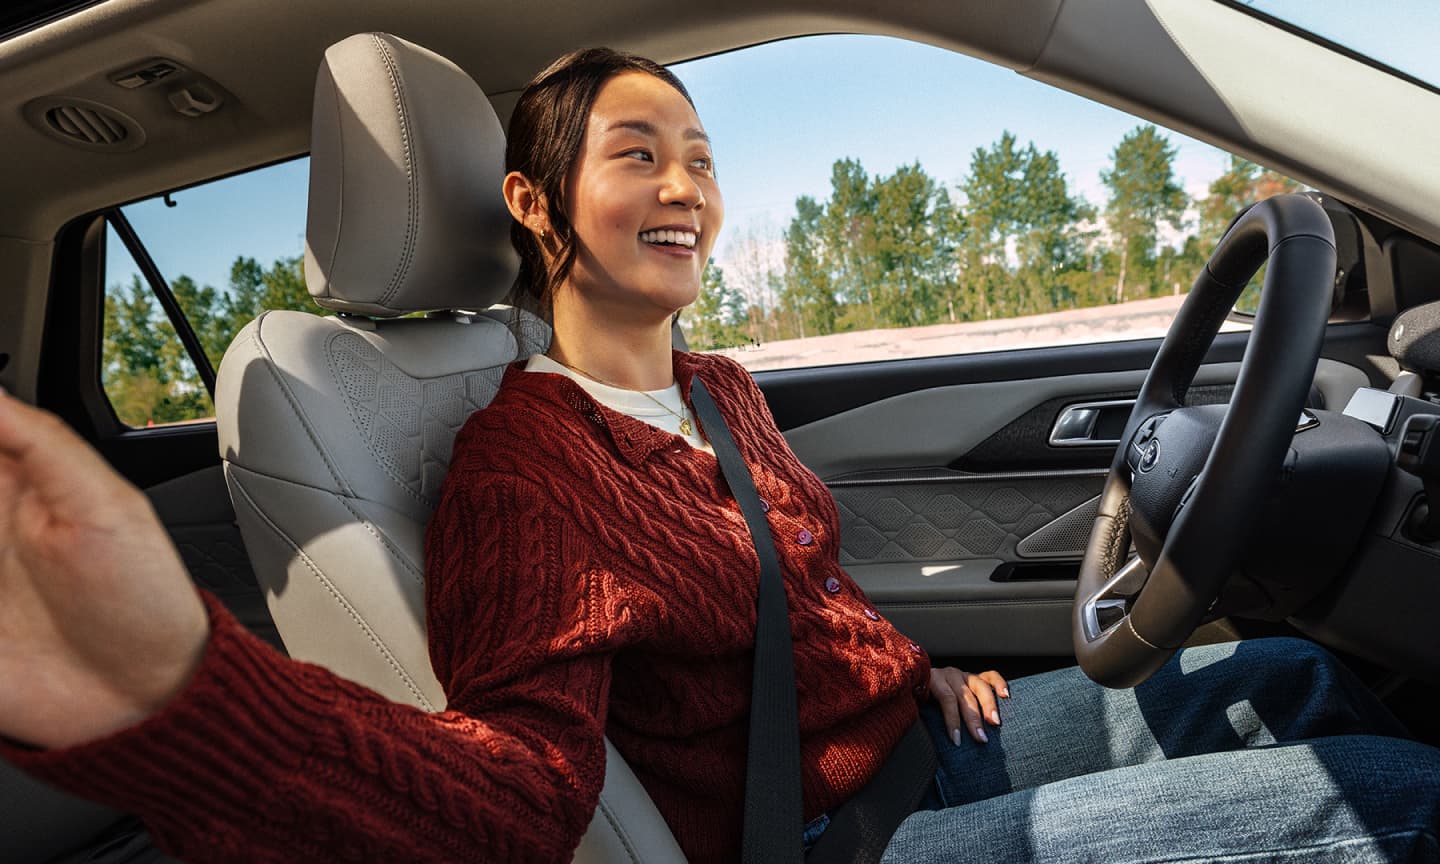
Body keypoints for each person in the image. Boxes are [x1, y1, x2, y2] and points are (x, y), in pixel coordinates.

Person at [2, 47, 1439, 864]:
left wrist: (902, 660)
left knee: (1296, 678)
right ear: (533, 200)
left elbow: (796, 587)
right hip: (815, 842)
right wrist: (180, 694)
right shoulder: (525, 471)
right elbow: (519, 793)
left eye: (698, 153)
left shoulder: (724, 393)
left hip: (916, 743)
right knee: (1389, 808)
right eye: (636, 154)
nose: (685, 184)